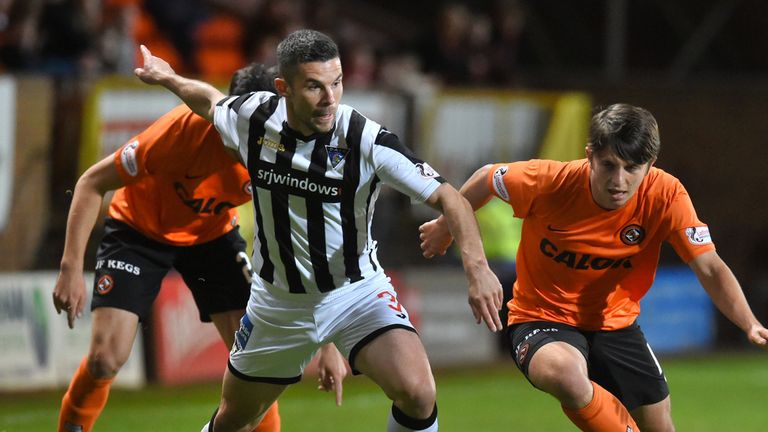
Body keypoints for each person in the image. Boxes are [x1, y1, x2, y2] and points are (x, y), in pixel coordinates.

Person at [133, 29, 503, 432]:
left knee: (418, 392)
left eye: (337, 82)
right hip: (278, 305)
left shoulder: (365, 139)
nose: (330, 97)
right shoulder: (254, 117)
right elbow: (208, 101)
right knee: (234, 421)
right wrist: (168, 76)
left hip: (356, 292)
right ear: (283, 88)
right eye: (314, 86)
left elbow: (451, 198)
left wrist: (477, 268)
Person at [419, 103, 768, 431]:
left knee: (660, 426)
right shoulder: (550, 181)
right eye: (609, 165)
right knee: (567, 376)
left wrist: (749, 323)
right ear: (590, 156)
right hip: (541, 317)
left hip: (616, 325)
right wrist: (444, 226)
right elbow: (486, 178)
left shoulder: (667, 196)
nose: (619, 180)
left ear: (651, 164)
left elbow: (709, 266)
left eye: (632, 168)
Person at [51, 62, 347, 432]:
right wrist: (70, 270)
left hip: (211, 235)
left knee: (258, 363)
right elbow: (92, 182)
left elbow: (304, 246)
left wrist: (329, 342)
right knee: (105, 360)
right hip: (138, 230)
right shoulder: (180, 132)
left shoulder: (281, 153)